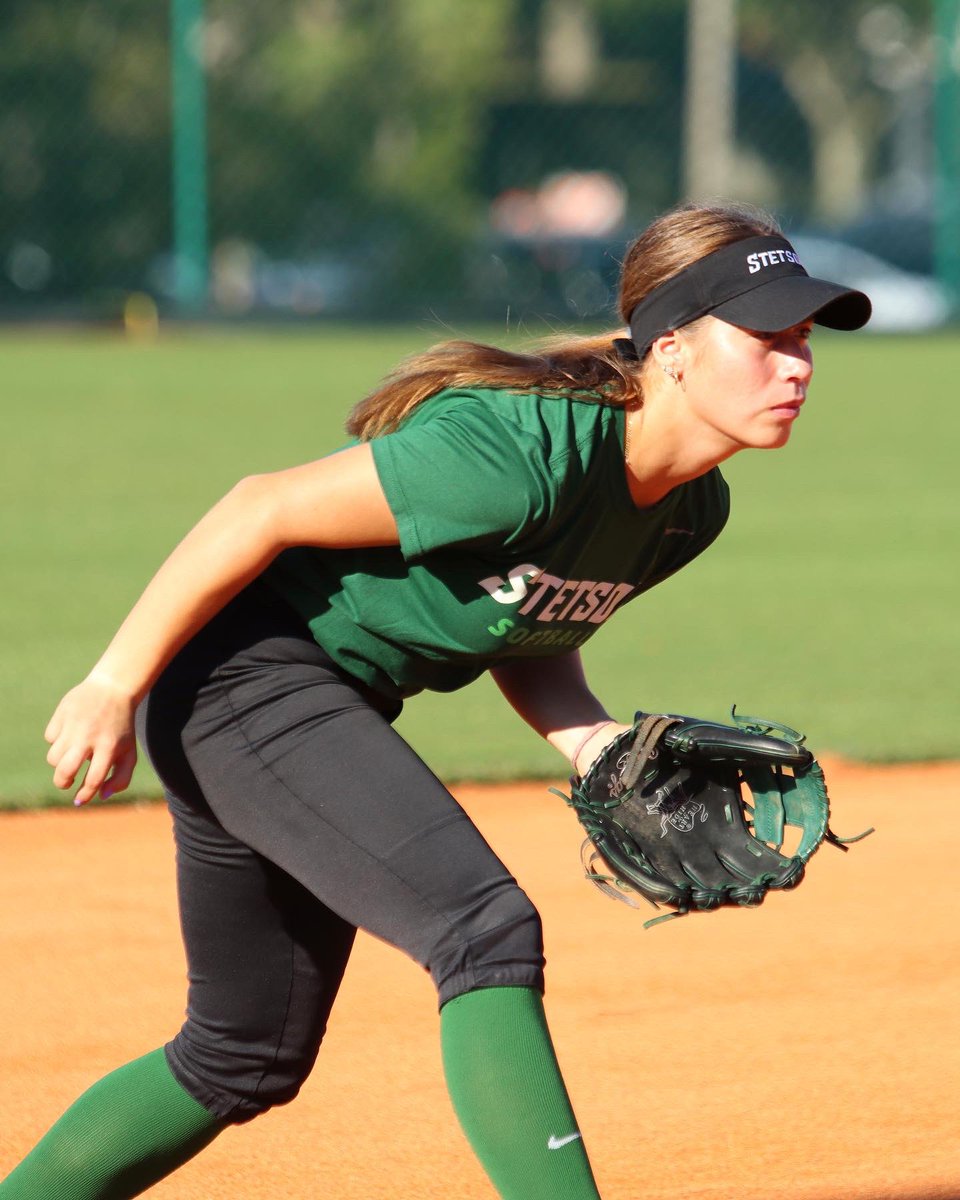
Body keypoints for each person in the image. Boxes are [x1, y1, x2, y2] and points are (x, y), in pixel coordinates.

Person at [1, 201, 870, 1200]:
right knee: (485, 929)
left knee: (242, 1052)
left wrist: (591, 743)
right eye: (766, 337)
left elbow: (533, 624)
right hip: (244, 681)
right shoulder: (522, 451)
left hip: (304, 703)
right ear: (671, 348)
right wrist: (113, 683)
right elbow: (261, 506)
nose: (798, 363)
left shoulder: (689, 510)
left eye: (804, 337)